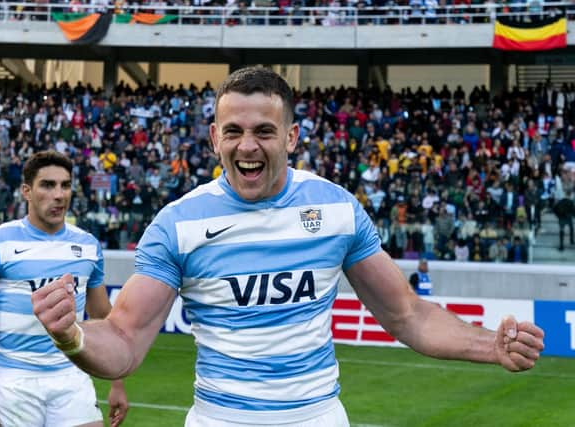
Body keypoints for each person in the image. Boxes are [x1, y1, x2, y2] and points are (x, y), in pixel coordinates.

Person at [31, 68, 544, 427]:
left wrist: (489, 347)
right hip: (220, 419)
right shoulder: (178, 223)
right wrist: (71, 335)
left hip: (317, 416)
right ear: (213, 138)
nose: (247, 146)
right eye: (233, 131)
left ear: (293, 136)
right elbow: (124, 341)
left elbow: (408, 315)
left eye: (264, 132)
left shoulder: (337, 209)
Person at [0, 151, 129, 427]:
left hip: (73, 378)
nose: (59, 194)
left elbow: (105, 318)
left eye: (65, 185)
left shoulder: (89, 245)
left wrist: (117, 382)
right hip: (13, 384)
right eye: (47, 185)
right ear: (27, 192)